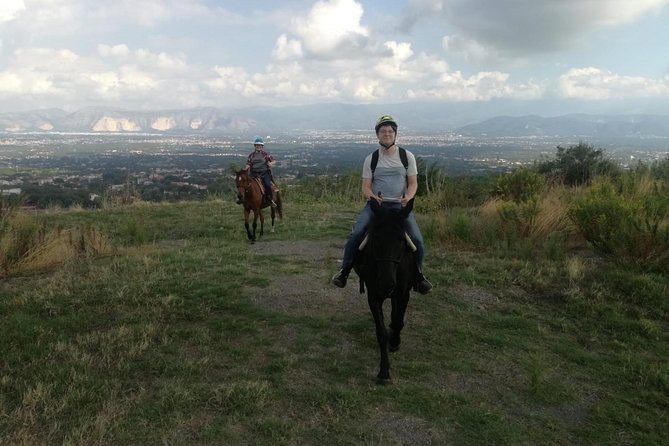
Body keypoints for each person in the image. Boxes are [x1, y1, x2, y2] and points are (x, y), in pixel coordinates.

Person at [331, 115, 433, 294]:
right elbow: (365, 186)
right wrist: (372, 197)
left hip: (399, 209)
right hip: (376, 208)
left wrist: (408, 197)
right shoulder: (371, 159)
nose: (387, 134)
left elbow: (413, 182)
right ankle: (344, 272)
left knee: (417, 240)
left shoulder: (406, 156)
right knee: (356, 235)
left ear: (395, 134)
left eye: (390, 131)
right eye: (383, 131)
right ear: (377, 135)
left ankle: (418, 276)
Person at [244, 137, 277, 207]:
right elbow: (248, 164)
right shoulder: (251, 155)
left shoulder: (265, 154)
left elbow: (274, 161)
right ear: (255, 146)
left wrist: (271, 164)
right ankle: (243, 199)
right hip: (253, 174)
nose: (258, 146)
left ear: (262, 146)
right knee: (245, 184)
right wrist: (244, 171)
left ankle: (270, 200)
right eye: (257, 145)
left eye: (260, 145)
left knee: (268, 185)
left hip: (263, 173)